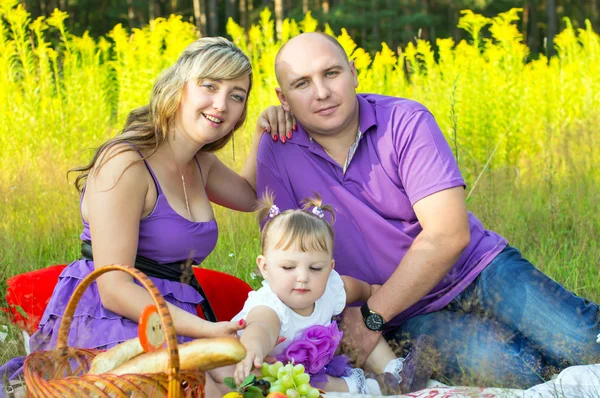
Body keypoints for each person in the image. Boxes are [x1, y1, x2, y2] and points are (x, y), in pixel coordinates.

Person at [254, 32, 600, 389]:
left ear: (353, 73)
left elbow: (448, 235)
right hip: (407, 315)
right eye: (302, 84)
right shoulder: (277, 151)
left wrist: (371, 318)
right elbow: (282, 254)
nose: (321, 92)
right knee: (522, 370)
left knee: (583, 340)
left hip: (477, 271)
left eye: (331, 73)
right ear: (283, 98)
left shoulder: (405, 121)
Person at [0, 37, 272, 396]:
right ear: (180, 88)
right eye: (209, 86)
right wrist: (207, 330)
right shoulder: (126, 164)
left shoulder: (200, 163)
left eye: (237, 95)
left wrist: (262, 132)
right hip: (115, 316)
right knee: (199, 389)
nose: (221, 104)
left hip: (175, 315)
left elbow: (253, 197)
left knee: (253, 382)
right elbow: (114, 290)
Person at [211, 192, 436, 395]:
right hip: (272, 368)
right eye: (288, 267)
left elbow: (355, 288)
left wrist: (374, 293)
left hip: (320, 357)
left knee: (358, 324)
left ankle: (397, 372)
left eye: (315, 268)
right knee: (310, 384)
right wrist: (253, 348)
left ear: (329, 269)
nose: (302, 277)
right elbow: (261, 327)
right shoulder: (270, 305)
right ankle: (374, 389)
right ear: (265, 268)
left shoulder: (330, 287)